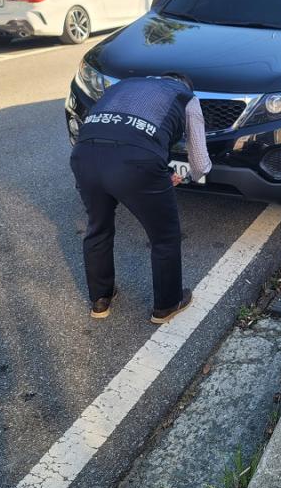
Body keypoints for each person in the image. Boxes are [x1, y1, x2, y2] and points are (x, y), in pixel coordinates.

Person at [70, 73, 211, 323]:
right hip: (136, 162)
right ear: (186, 86)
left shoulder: (123, 85)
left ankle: (100, 300)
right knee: (165, 235)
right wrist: (187, 174)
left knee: (98, 228)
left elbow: (117, 130)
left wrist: (161, 171)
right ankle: (167, 305)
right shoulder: (186, 98)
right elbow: (200, 163)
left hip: (85, 155)